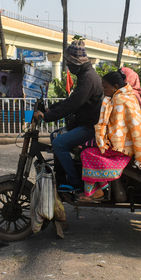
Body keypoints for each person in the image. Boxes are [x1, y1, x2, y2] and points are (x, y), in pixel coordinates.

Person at [78, 71, 141, 201]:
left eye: (105, 87)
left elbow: (115, 131)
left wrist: (94, 141)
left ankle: (98, 191)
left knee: (86, 153)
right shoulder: (128, 96)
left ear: (115, 87)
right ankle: (101, 189)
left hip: (121, 149)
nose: (103, 90)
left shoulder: (119, 101)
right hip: (127, 145)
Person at [34, 40, 104, 191]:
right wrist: (51, 109)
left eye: (68, 63)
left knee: (59, 143)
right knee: (55, 136)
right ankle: (60, 178)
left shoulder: (88, 78)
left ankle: (74, 181)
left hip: (90, 127)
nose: (68, 66)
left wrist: (47, 116)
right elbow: (72, 99)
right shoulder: (85, 75)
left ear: (74, 62)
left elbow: (74, 104)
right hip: (85, 124)